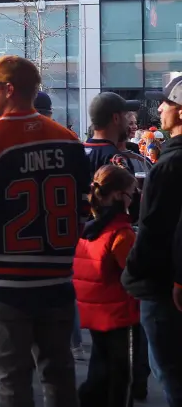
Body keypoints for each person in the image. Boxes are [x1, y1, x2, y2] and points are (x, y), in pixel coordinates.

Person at [0, 55, 90, 407]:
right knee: (60, 376)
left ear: (9, 90)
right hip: (57, 282)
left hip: (4, 286)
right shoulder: (69, 140)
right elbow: (84, 210)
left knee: (13, 384)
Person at [122, 76, 182, 406]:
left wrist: (132, 274)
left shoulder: (169, 166)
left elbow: (154, 231)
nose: (159, 108)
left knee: (170, 373)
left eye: (167, 103)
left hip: (162, 289)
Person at [74, 164, 139, 407]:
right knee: (120, 376)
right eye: (131, 194)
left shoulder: (89, 229)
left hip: (94, 310)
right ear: (118, 195)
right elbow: (133, 273)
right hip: (120, 312)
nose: (133, 200)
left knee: (101, 365)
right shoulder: (121, 234)